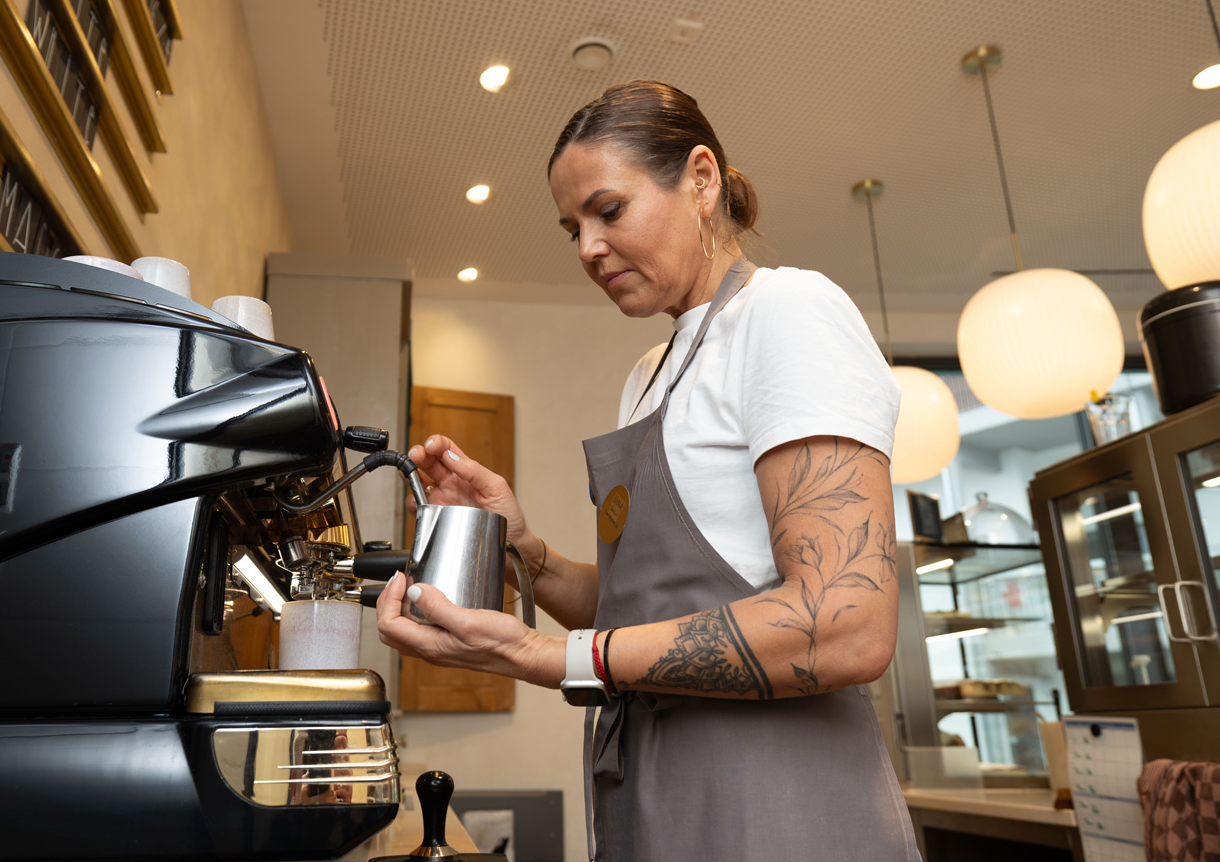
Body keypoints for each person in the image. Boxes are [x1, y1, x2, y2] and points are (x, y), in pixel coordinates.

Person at [375, 80, 918, 861]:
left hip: (775, 797)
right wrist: (525, 550)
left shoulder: (786, 312)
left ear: (701, 180)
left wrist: (543, 656)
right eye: (573, 228)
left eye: (609, 210)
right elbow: (645, 608)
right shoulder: (648, 374)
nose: (588, 249)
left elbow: (845, 621)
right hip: (645, 787)